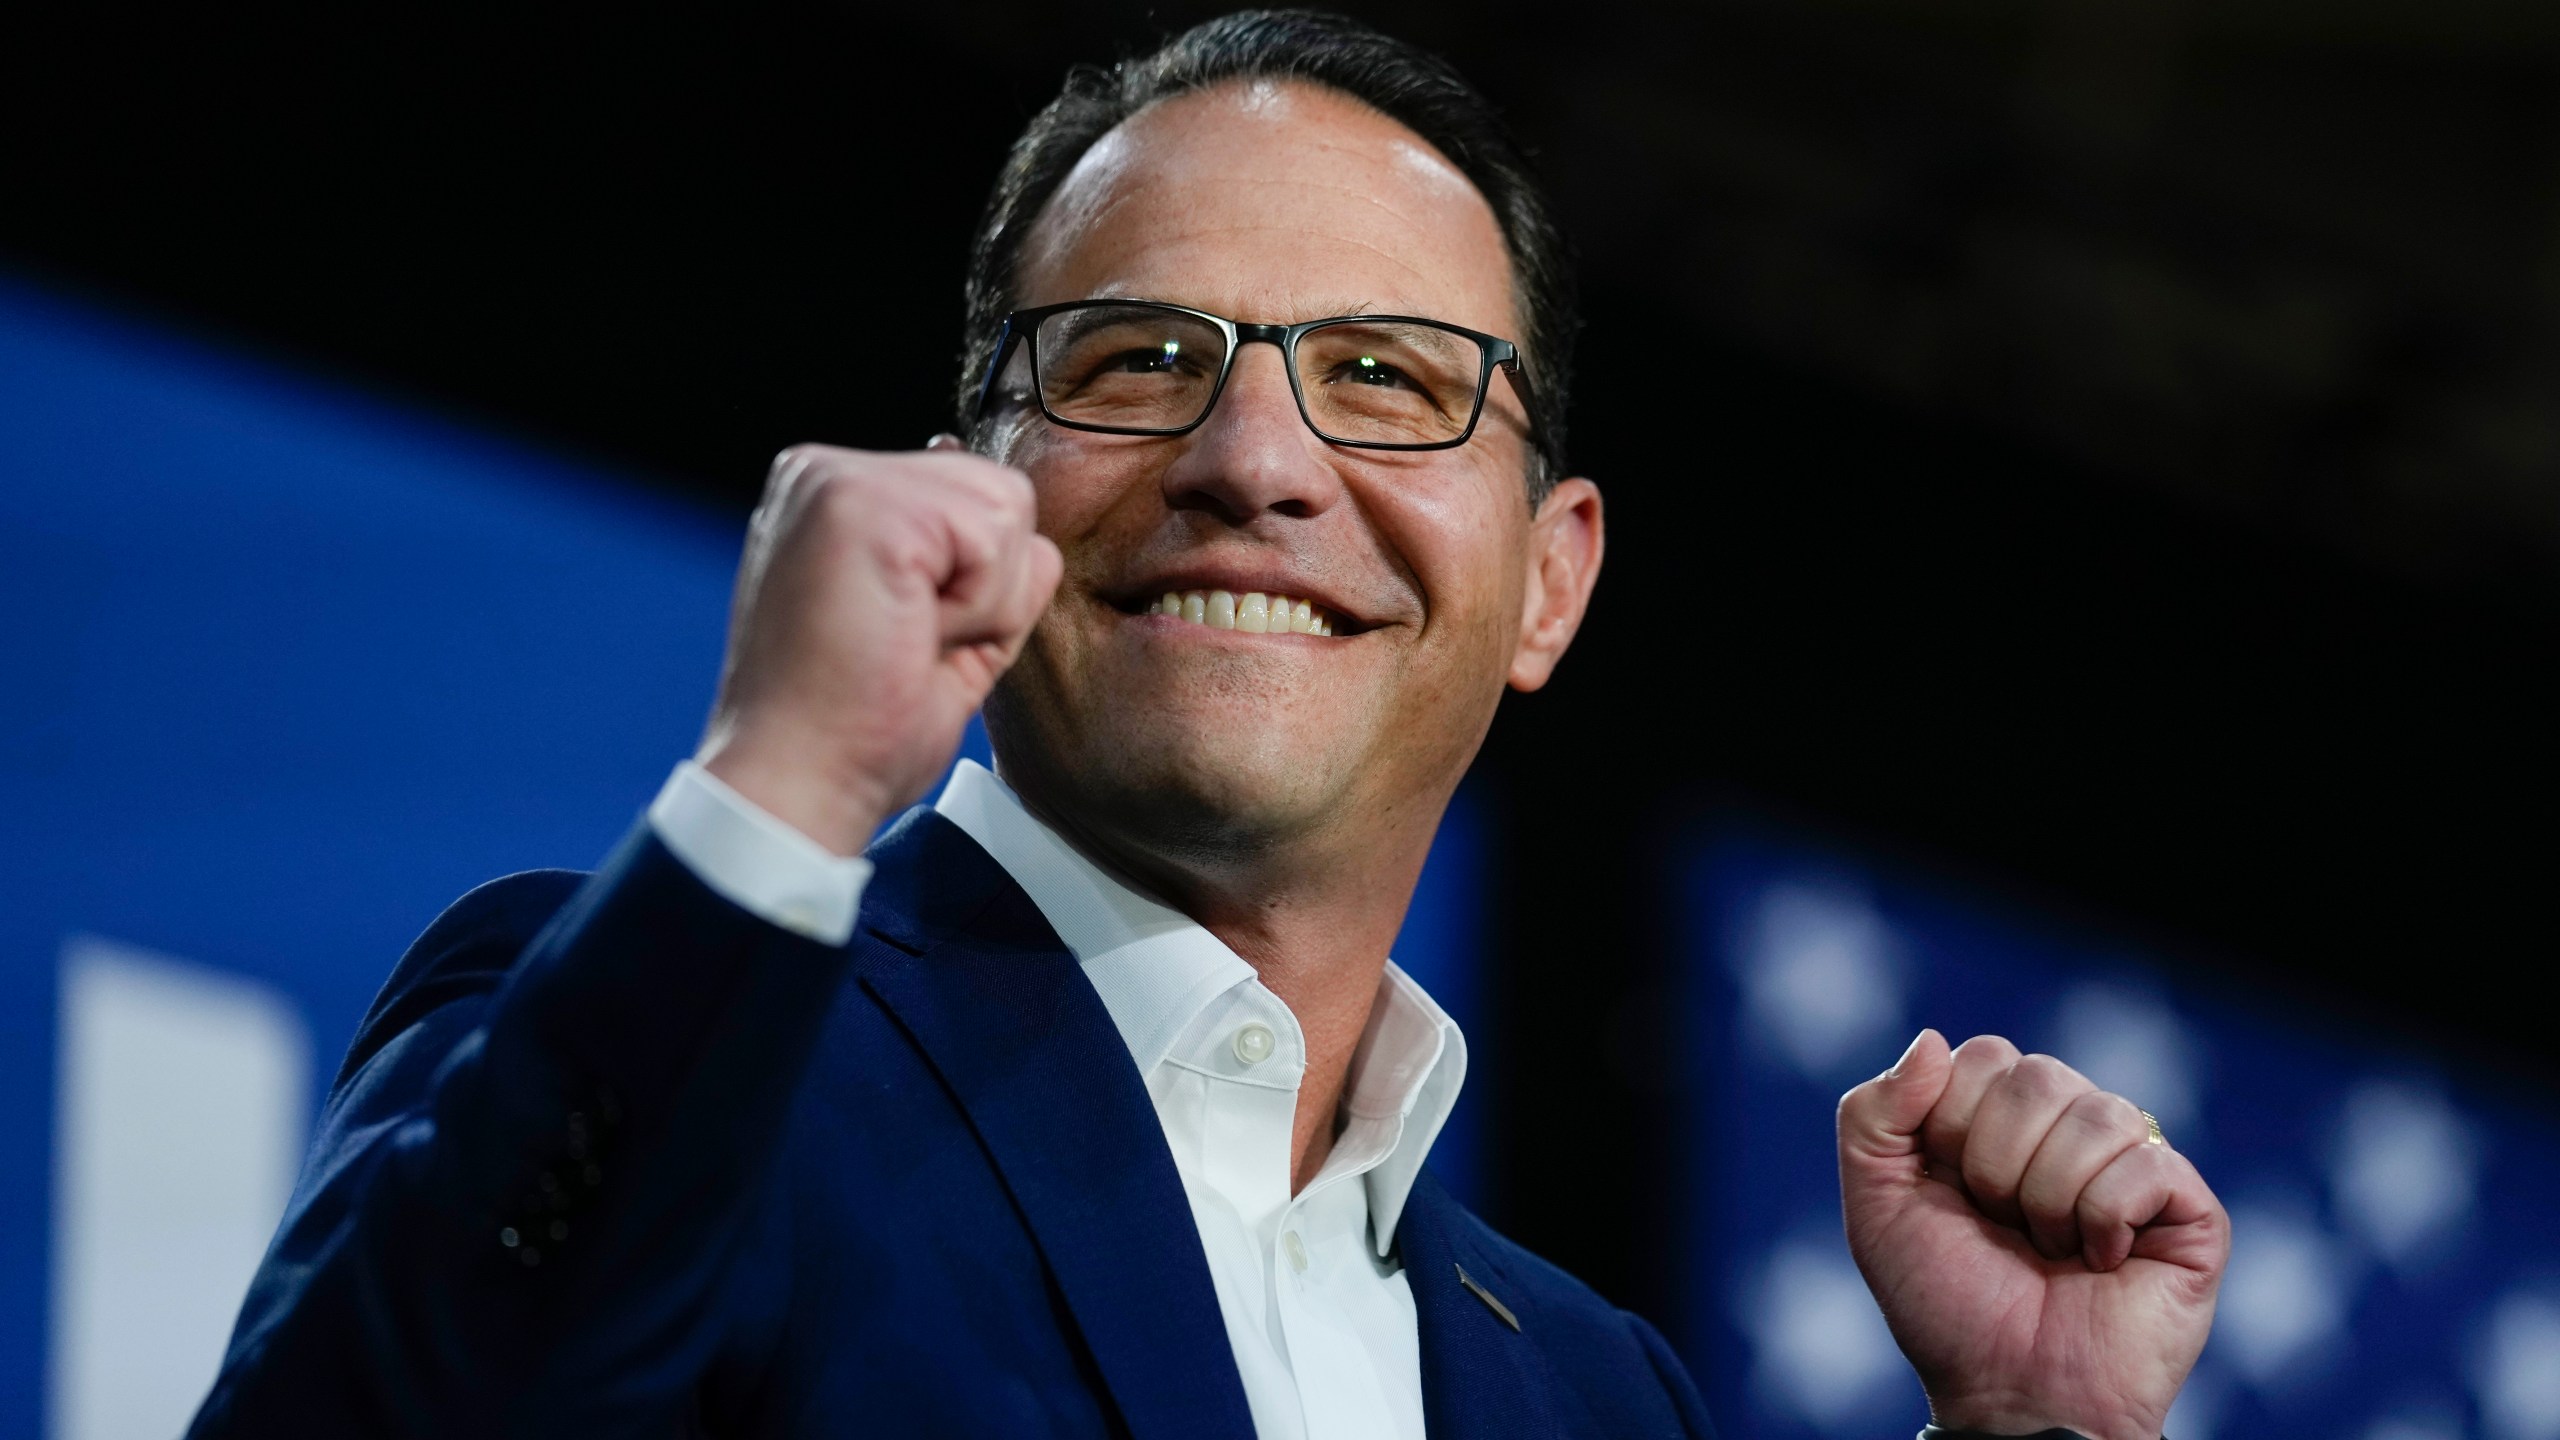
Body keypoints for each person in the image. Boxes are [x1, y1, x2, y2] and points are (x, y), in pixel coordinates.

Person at [190, 12, 2228, 1439]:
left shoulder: (1589, 1387)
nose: (1253, 455)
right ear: (969, 482)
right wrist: (781, 797)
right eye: (1138, 355)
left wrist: (2027, 1433)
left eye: (1385, 376)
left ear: (1548, 578)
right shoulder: (658, 1038)